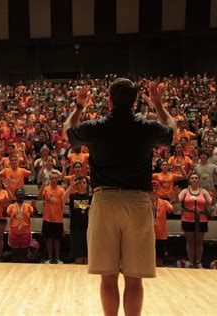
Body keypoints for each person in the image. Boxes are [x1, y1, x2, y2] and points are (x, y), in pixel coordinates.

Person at [65, 80, 176, 316]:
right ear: (135, 101)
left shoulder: (96, 127)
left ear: (110, 100)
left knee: (108, 277)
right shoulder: (146, 127)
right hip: (137, 203)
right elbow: (171, 131)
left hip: (104, 201)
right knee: (134, 279)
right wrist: (158, 104)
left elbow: (69, 133)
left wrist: (78, 107)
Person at [178, 173, 215, 268]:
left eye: (196, 178)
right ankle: (190, 262)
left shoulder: (204, 191)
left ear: (199, 180)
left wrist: (214, 197)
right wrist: (174, 196)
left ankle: (198, 262)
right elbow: (178, 200)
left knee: (199, 242)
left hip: (201, 219)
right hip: (187, 219)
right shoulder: (185, 191)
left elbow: (211, 203)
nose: (194, 179)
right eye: (192, 178)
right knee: (190, 242)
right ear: (189, 180)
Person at [38, 172, 71, 264]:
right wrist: (42, 186)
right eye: (52, 178)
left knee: (57, 239)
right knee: (49, 239)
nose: (53, 180)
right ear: (50, 179)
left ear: (58, 179)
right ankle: (49, 258)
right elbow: (39, 197)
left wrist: (67, 188)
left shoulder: (61, 190)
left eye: (55, 178)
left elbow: (67, 201)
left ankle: (56, 257)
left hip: (58, 219)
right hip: (47, 218)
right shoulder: (46, 189)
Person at [68, 176, 91, 264]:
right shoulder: (73, 196)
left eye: (84, 182)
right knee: (78, 257)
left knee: (87, 257)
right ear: (76, 185)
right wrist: (70, 187)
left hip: (88, 229)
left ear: (87, 185)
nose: (82, 184)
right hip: (76, 229)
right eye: (80, 183)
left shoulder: (90, 197)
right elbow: (63, 200)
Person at [6, 188, 34, 263]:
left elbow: (35, 215)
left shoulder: (28, 206)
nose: (20, 196)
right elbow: (4, 214)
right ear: (15, 196)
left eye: (21, 194)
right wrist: (5, 205)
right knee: (15, 255)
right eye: (18, 194)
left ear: (24, 196)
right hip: (14, 233)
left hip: (25, 233)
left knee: (24, 255)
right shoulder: (11, 206)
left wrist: (34, 206)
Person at [150, 181, 174, 267]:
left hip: (160, 235)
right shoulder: (144, 202)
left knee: (159, 258)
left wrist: (173, 200)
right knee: (147, 257)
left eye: (156, 188)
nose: (154, 190)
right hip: (147, 235)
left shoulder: (164, 203)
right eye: (152, 188)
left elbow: (172, 210)